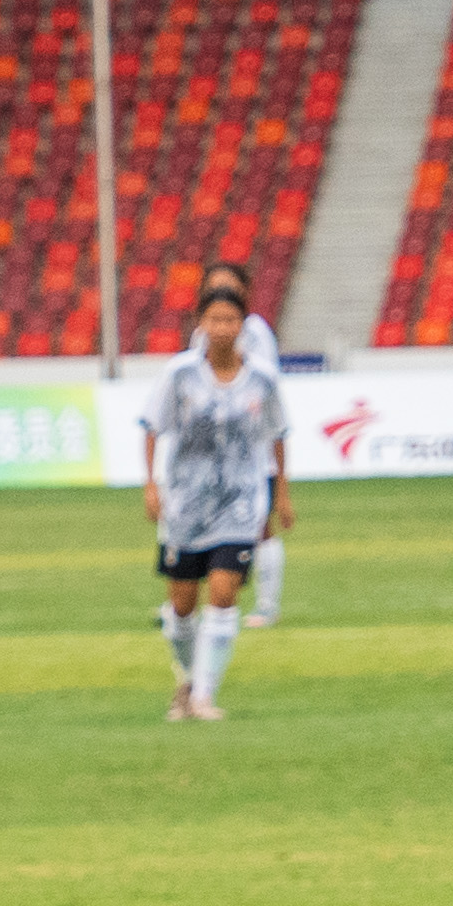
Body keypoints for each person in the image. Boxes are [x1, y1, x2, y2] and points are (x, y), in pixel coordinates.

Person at [140, 285, 291, 722]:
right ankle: (187, 680)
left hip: (240, 503)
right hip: (186, 504)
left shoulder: (262, 379)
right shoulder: (180, 374)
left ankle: (204, 696)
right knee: (182, 608)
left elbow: (278, 434)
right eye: (214, 320)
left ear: (243, 327)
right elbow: (152, 426)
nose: (222, 329)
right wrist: (151, 485)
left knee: (223, 594)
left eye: (230, 321)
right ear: (200, 325)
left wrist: (280, 491)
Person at [182, 260, 290, 626]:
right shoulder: (202, 335)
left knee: (260, 525)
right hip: (208, 456)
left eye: (229, 285)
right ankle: (189, 604)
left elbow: (263, 387)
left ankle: (267, 605)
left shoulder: (255, 333)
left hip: (250, 449)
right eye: (214, 285)